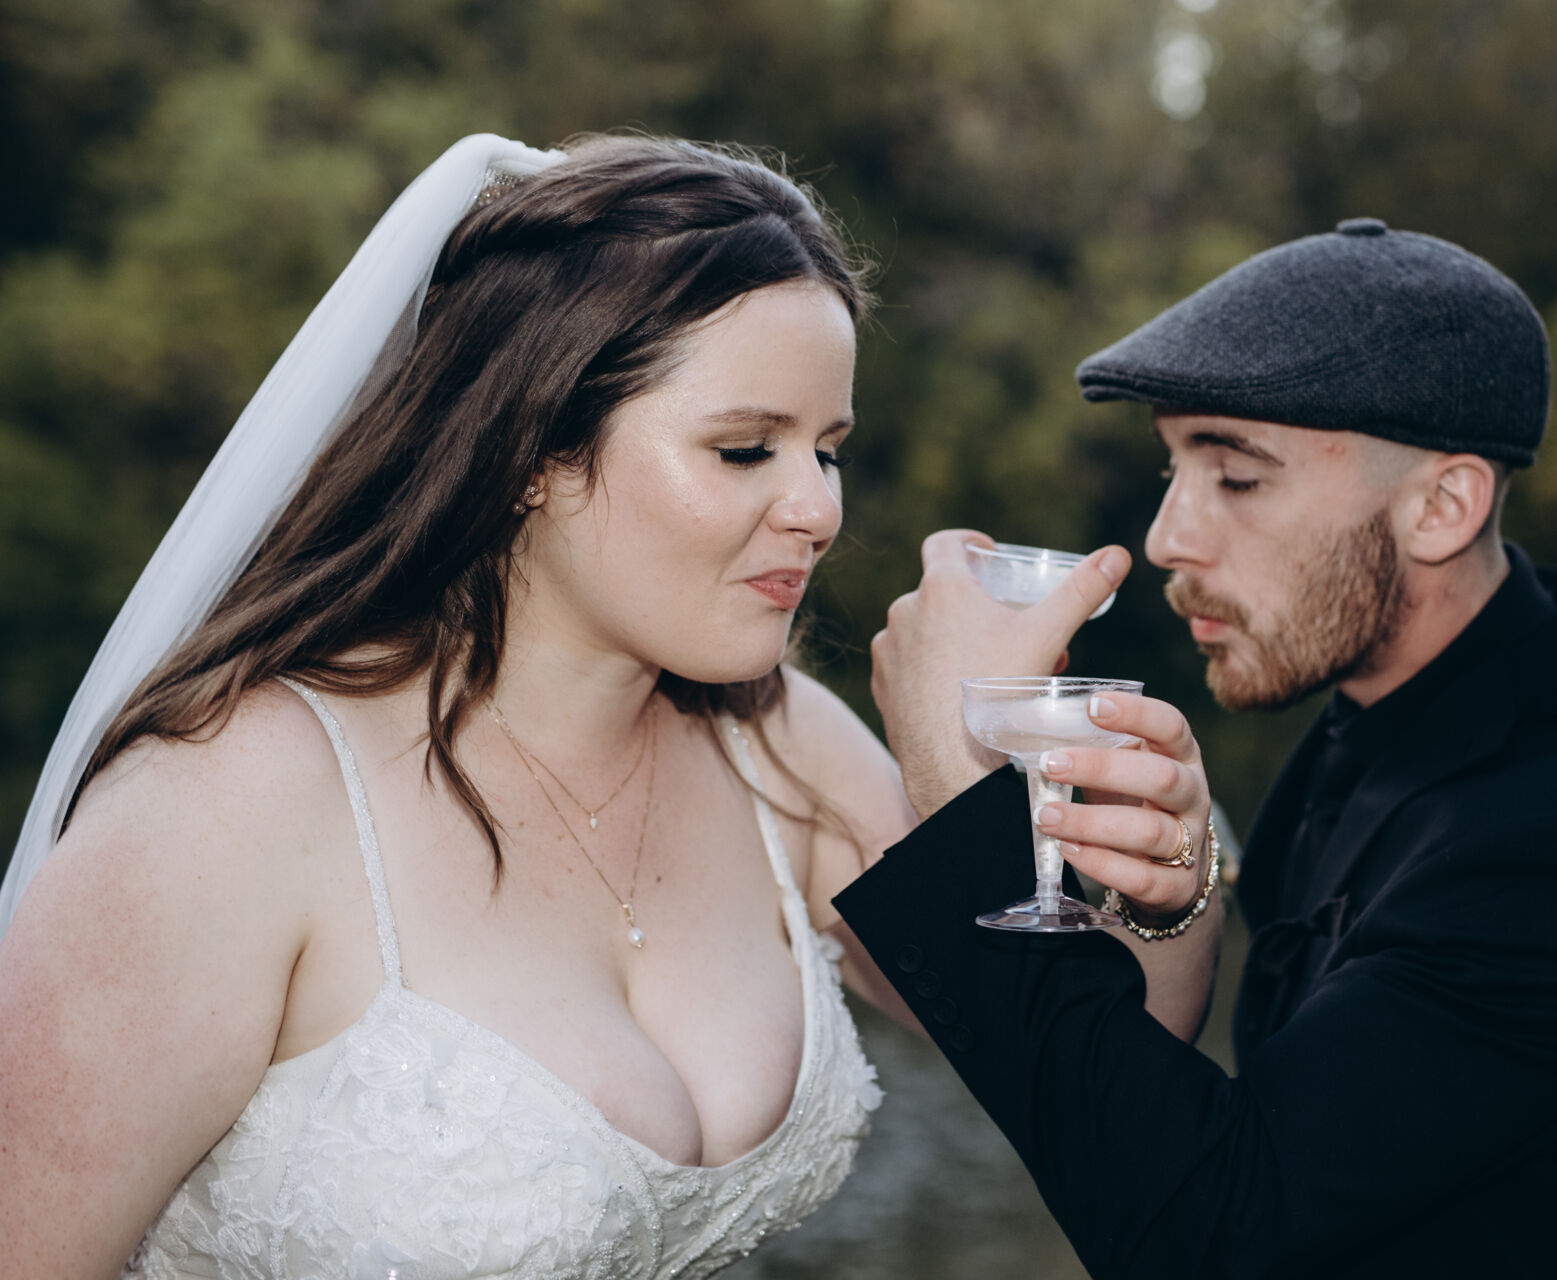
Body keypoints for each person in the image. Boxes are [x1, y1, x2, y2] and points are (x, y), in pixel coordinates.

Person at [0, 132, 922, 1279]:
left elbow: (1067, 1041)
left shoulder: (779, 746)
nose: (817, 510)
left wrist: (1047, 807)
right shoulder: (230, 801)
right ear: (536, 448)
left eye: (827, 451)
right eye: (745, 449)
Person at [835, 218, 1557, 1278]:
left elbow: (1215, 1235)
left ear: (1442, 506)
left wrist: (955, 778)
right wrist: (1179, 893)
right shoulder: (1407, 710)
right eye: (1173, 467)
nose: (1166, 538)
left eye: (1237, 477)